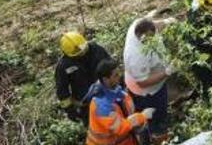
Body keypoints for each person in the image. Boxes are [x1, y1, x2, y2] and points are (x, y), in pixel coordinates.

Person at [124, 14, 175, 143]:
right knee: (153, 119)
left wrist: (167, 21)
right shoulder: (135, 55)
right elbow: (143, 82)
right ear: (140, 36)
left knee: (161, 109)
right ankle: (156, 137)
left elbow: (153, 24)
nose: (152, 40)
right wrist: (166, 73)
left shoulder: (140, 26)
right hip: (146, 93)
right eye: (148, 39)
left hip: (158, 84)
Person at [84, 58, 153, 145]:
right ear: (106, 79)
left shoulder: (115, 89)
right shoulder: (101, 105)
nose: (119, 76)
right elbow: (119, 127)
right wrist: (142, 117)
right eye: (115, 75)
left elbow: (126, 109)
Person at [55, 32, 112, 124]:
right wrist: (70, 110)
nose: (82, 53)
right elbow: (62, 90)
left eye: (83, 50)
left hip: (107, 94)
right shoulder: (64, 66)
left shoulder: (96, 50)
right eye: (78, 53)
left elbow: (111, 67)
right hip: (86, 105)